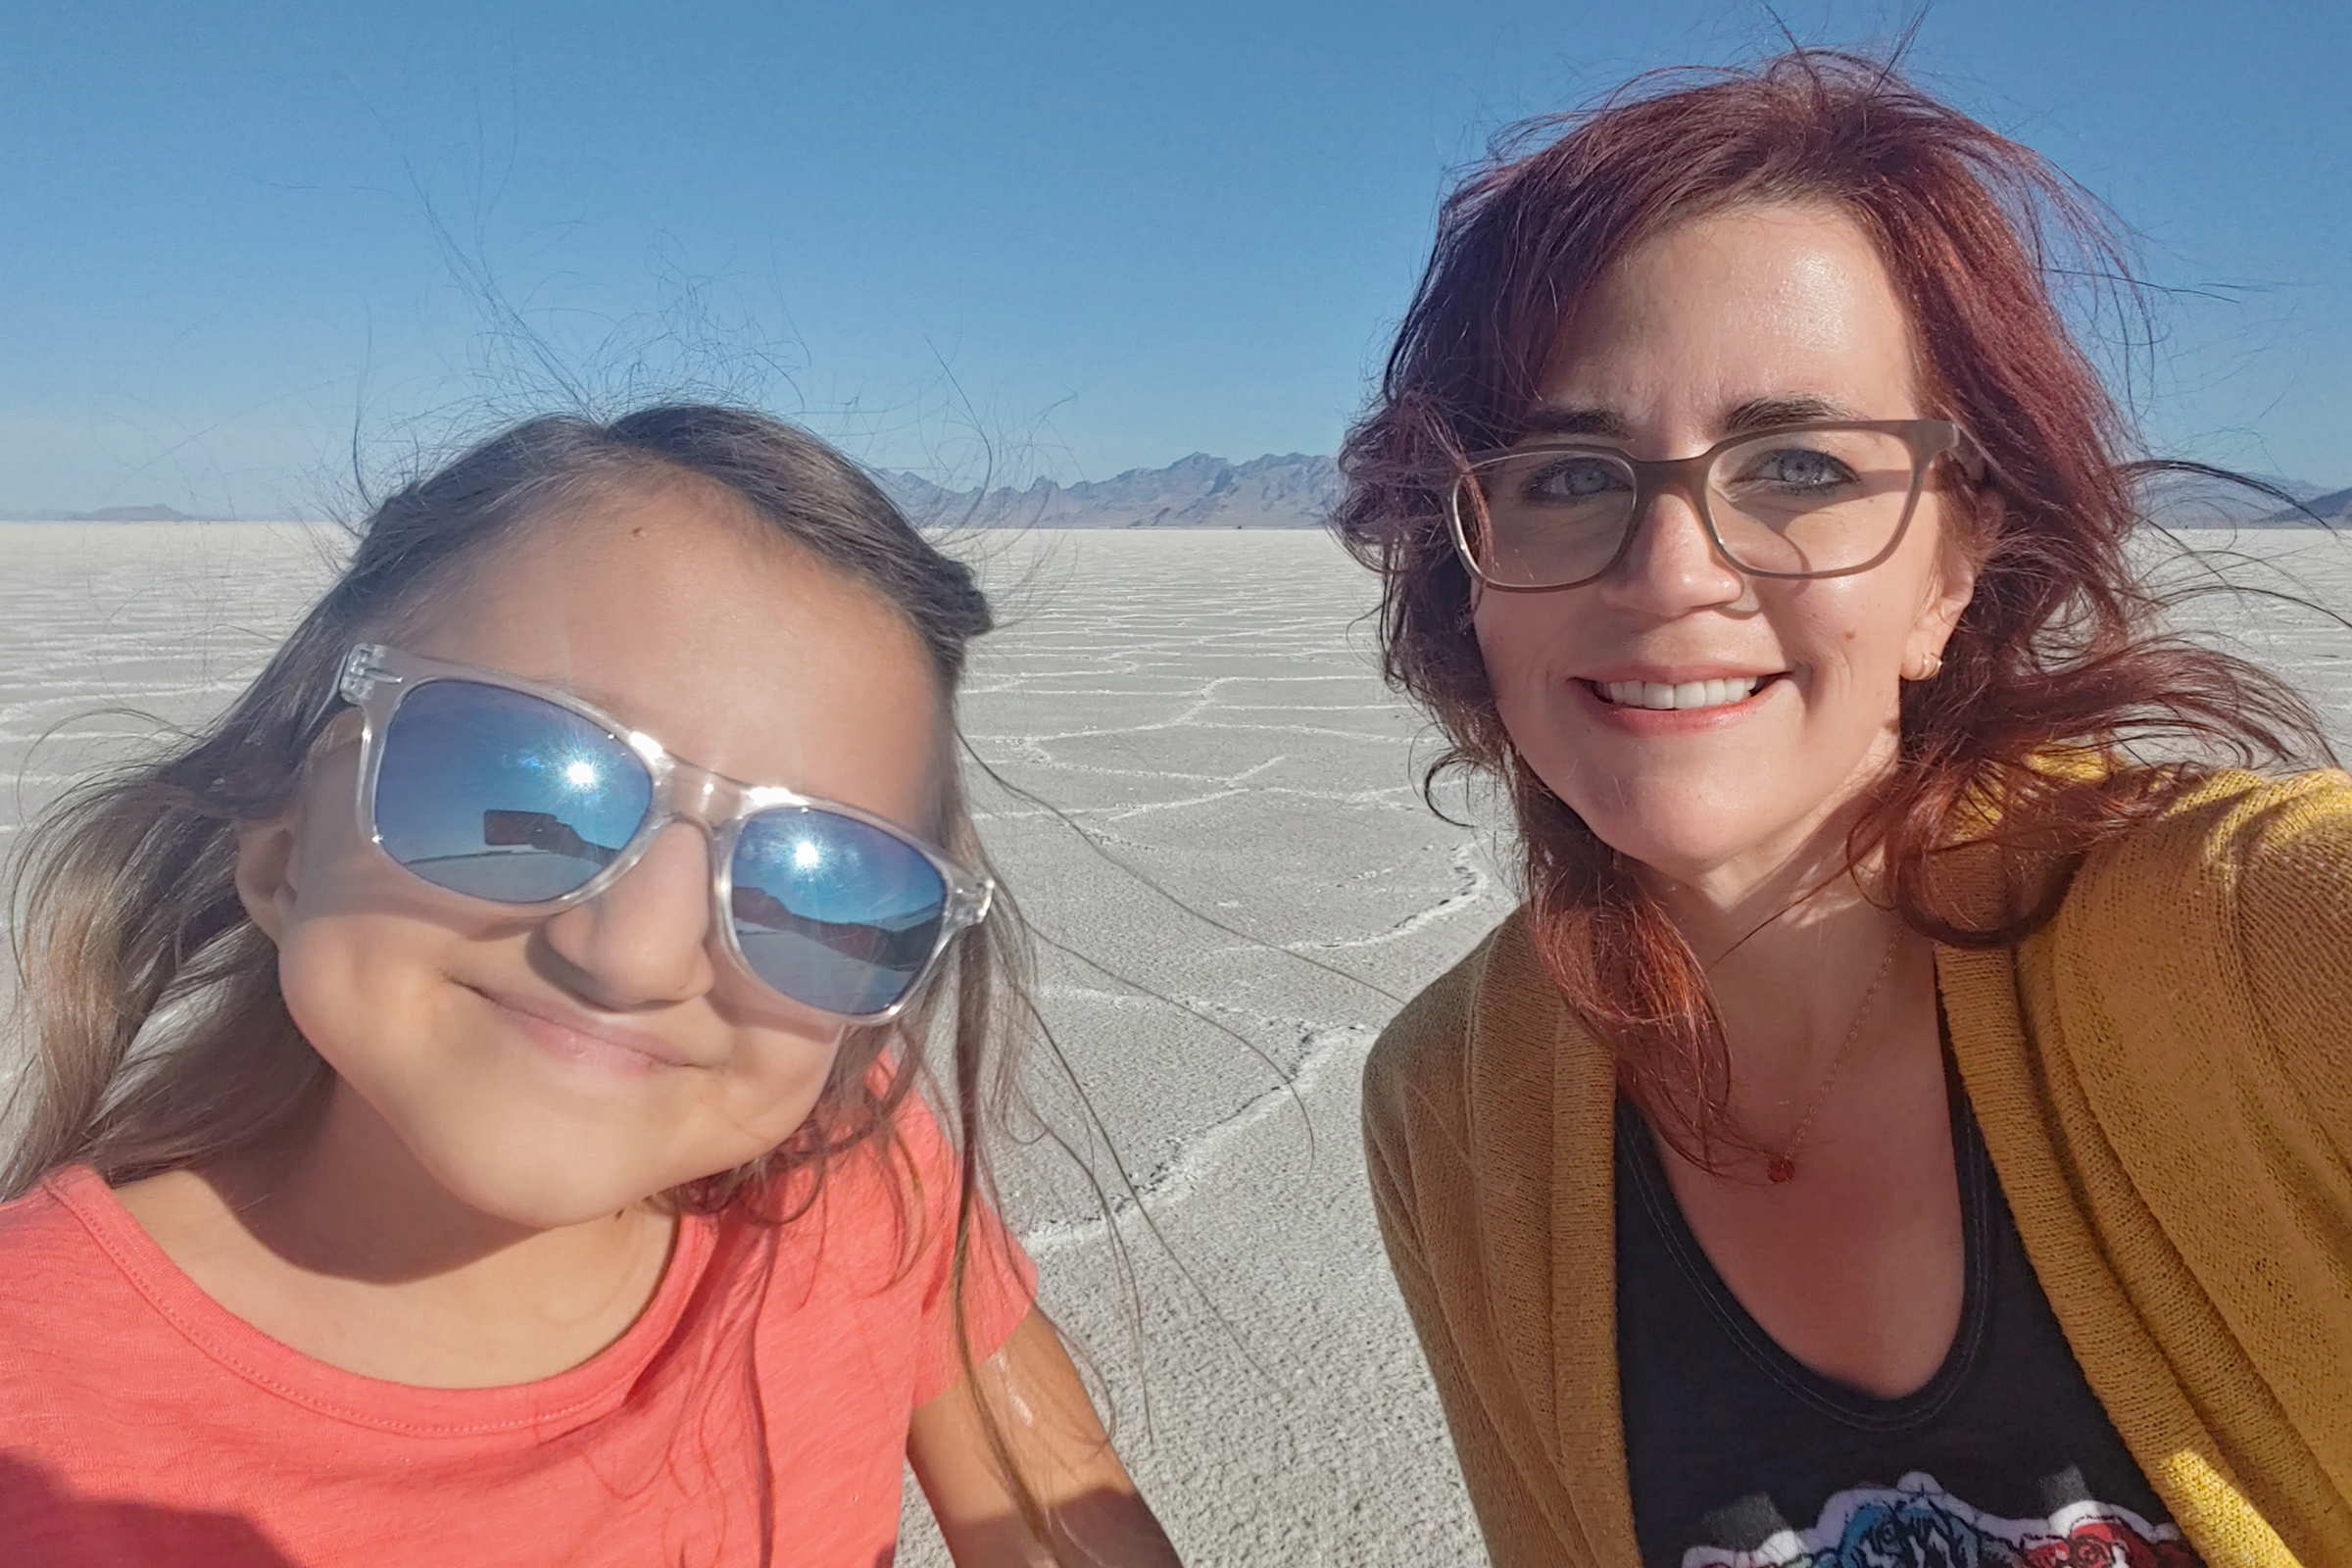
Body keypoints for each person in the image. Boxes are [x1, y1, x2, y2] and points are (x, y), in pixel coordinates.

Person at [1336, 52, 2350, 1568]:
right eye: (1566, 471)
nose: (1670, 572)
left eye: (1800, 465)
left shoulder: (2249, 947)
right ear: (1468, 560)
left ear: (1959, 561)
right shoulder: (1455, 1107)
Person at [0, 406, 1184, 1568]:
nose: (634, 954)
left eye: (826, 888)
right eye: (522, 788)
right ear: (282, 845)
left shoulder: (856, 1177)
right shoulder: (32, 1399)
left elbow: (1057, 1518)